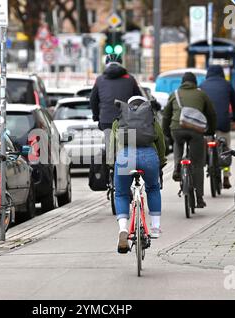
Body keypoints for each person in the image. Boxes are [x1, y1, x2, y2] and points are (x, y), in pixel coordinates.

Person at [110, 96, 167, 253]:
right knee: (153, 188)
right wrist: (161, 162)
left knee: (121, 193)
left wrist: (110, 166)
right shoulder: (151, 120)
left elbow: (112, 146)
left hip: (125, 157)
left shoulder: (118, 121)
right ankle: (155, 227)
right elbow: (161, 143)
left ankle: (123, 228)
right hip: (149, 156)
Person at [162, 72, 216, 208]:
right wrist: (210, 130)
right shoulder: (201, 94)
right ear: (195, 83)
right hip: (196, 130)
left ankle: (177, 168)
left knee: (178, 143)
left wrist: (167, 133)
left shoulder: (174, 94)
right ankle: (199, 198)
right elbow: (211, 113)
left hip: (177, 128)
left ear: (182, 82)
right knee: (197, 163)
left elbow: (166, 116)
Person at [90, 53, 143, 153]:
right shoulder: (130, 79)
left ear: (106, 64)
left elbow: (93, 100)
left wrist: (96, 116)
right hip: (127, 120)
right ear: (121, 63)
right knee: (129, 146)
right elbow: (139, 99)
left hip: (106, 120)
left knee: (109, 146)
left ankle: (110, 165)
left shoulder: (100, 79)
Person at [199, 65, 235, 189]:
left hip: (206, 124)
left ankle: (207, 159)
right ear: (222, 73)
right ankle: (226, 175)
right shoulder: (227, 85)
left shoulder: (202, 86)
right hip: (223, 123)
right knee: (226, 148)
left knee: (206, 143)